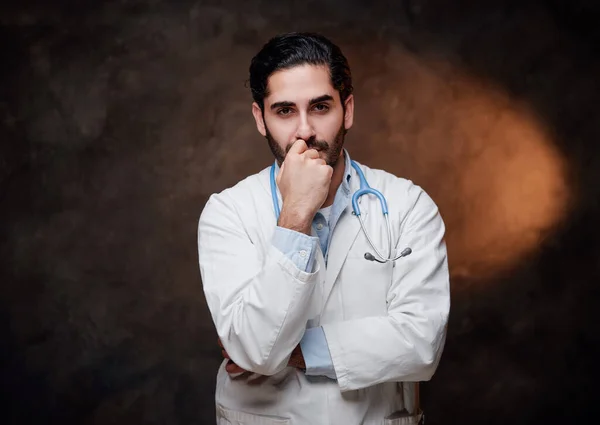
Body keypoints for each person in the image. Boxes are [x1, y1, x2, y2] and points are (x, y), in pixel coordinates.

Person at [197, 32, 450, 425]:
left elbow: (422, 344)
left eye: (319, 107)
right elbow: (257, 351)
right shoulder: (228, 212)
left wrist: (301, 352)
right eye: (283, 111)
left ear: (347, 110)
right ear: (259, 119)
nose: (304, 131)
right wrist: (295, 216)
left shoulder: (408, 205)